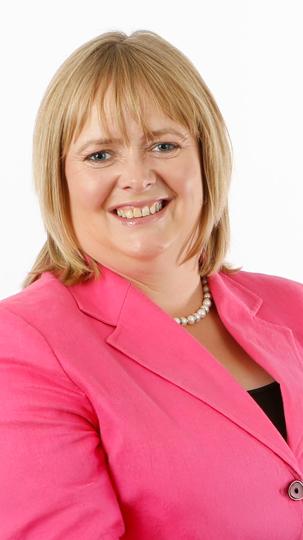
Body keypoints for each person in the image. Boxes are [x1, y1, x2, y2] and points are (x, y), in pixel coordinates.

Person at [0, 29, 302, 540]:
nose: (137, 176)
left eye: (164, 145)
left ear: (206, 160)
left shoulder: (291, 305)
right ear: (60, 179)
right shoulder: (23, 343)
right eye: (100, 155)